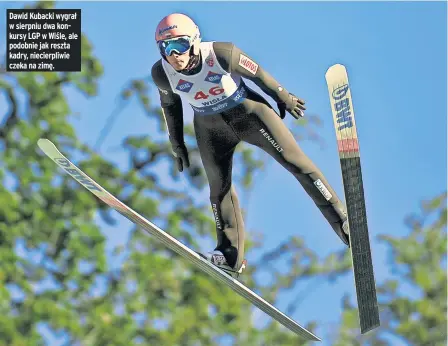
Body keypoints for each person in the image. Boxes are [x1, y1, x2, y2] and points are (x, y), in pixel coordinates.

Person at [151, 13, 350, 278]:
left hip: (250, 116)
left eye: (180, 45)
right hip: (211, 130)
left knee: (296, 164)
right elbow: (170, 107)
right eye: (166, 48)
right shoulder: (162, 73)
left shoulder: (222, 54)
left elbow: (258, 73)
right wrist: (177, 144)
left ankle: (343, 221)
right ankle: (230, 255)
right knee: (218, 190)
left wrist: (283, 97)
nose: (174, 55)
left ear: (195, 41)